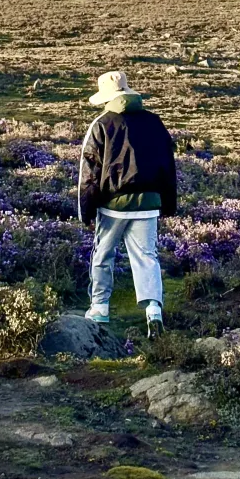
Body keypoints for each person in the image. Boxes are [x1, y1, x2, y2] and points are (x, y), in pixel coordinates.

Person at [77, 69, 177, 336]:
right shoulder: (155, 123)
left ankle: (99, 308)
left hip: (113, 205)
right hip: (149, 203)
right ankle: (153, 311)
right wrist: (167, 204)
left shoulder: (100, 125)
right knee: (147, 257)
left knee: (103, 255)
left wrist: (85, 211)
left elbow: (89, 174)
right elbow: (168, 166)